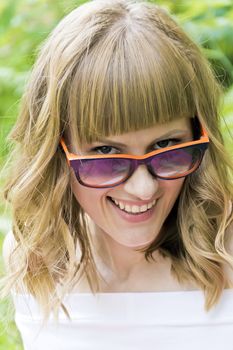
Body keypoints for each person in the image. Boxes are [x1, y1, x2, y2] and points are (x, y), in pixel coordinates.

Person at [1, 0, 233, 349]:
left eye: (167, 145)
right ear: (55, 154)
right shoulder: (35, 258)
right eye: (106, 153)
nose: (143, 188)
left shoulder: (227, 254)